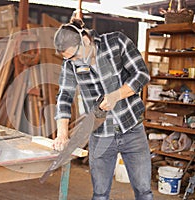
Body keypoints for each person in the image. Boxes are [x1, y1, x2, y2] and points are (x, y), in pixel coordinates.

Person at [52, 18, 153, 200]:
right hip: (100, 134)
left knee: (144, 191)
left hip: (132, 129)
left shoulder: (116, 43)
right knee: (99, 194)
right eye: (68, 58)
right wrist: (62, 134)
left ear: (84, 40)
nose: (73, 61)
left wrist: (116, 95)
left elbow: (142, 74)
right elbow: (64, 97)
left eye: (74, 56)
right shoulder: (70, 64)